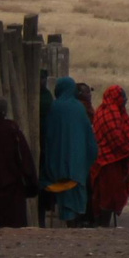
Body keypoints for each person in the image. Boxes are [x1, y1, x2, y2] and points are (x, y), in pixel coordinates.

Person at [40, 76, 96, 226]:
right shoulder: (79, 108)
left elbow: (47, 136)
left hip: (55, 168)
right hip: (77, 167)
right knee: (76, 189)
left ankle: (67, 218)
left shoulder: (53, 108)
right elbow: (89, 141)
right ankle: (75, 220)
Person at [87, 84, 129, 227]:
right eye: (123, 97)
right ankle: (103, 223)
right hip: (108, 162)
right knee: (109, 195)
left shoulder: (113, 111)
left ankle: (102, 222)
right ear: (116, 98)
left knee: (108, 194)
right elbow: (116, 139)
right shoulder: (109, 114)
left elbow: (127, 132)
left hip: (111, 161)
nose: (125, 100)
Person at [0, 99, 37, 229]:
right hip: (11, 186)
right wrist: (31, 181)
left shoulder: (12, 130)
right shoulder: (12, 130)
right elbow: (24, 158)